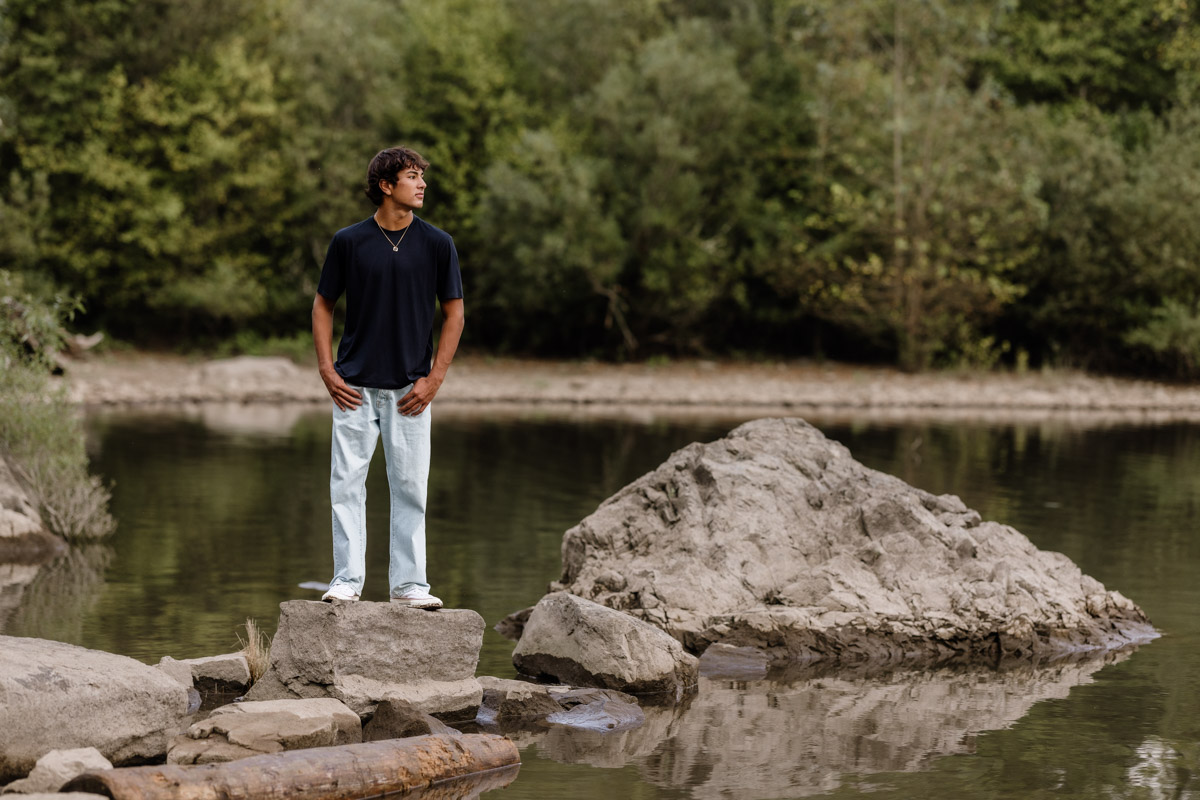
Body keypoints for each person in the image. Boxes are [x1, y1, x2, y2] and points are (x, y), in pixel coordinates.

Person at [311, 146, 464, 609]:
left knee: (411, 488)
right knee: (345, 486)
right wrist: (326, 369)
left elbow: (454, 314)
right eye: (412, 177)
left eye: (422, 177)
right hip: (353, 386)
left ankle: (410, 586)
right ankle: (346, 582)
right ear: (385, 184)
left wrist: (435, 379)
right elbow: (322, 305)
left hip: (411, 390)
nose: (421, 185)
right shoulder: (349, 241)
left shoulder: (438, 244)